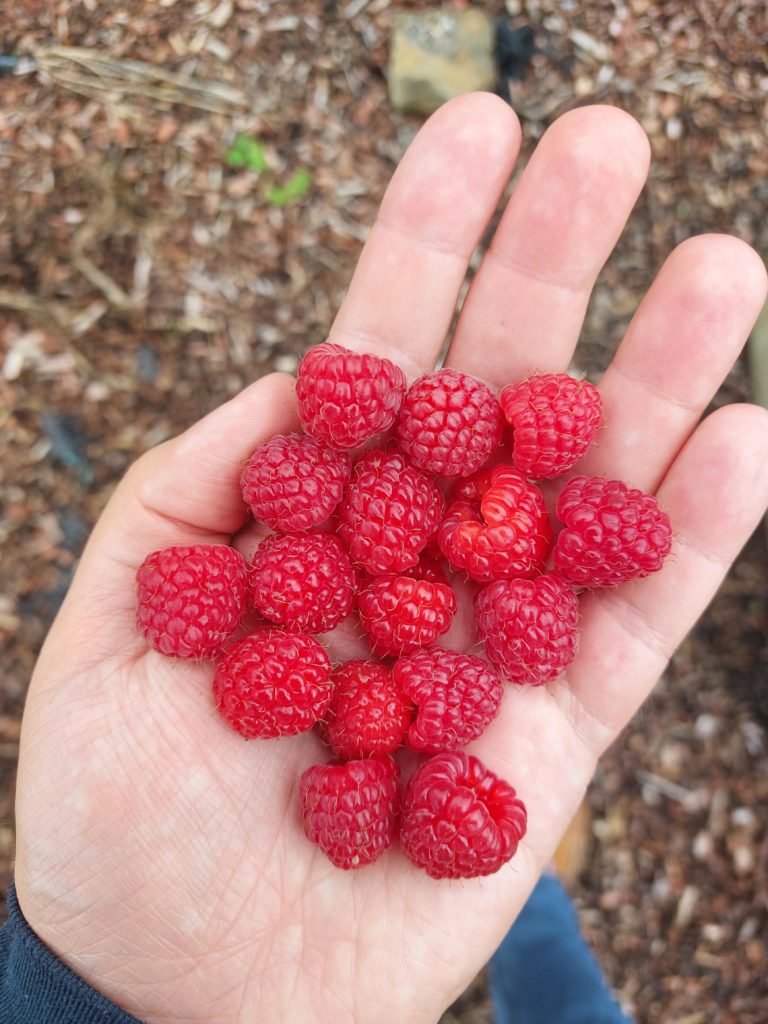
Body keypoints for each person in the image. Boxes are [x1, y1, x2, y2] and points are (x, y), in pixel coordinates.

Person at [3, 93, 768, 1024]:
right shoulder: (346, 586)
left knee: (547, 953)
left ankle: (536, 911)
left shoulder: (425, 565)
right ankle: (539, 912)